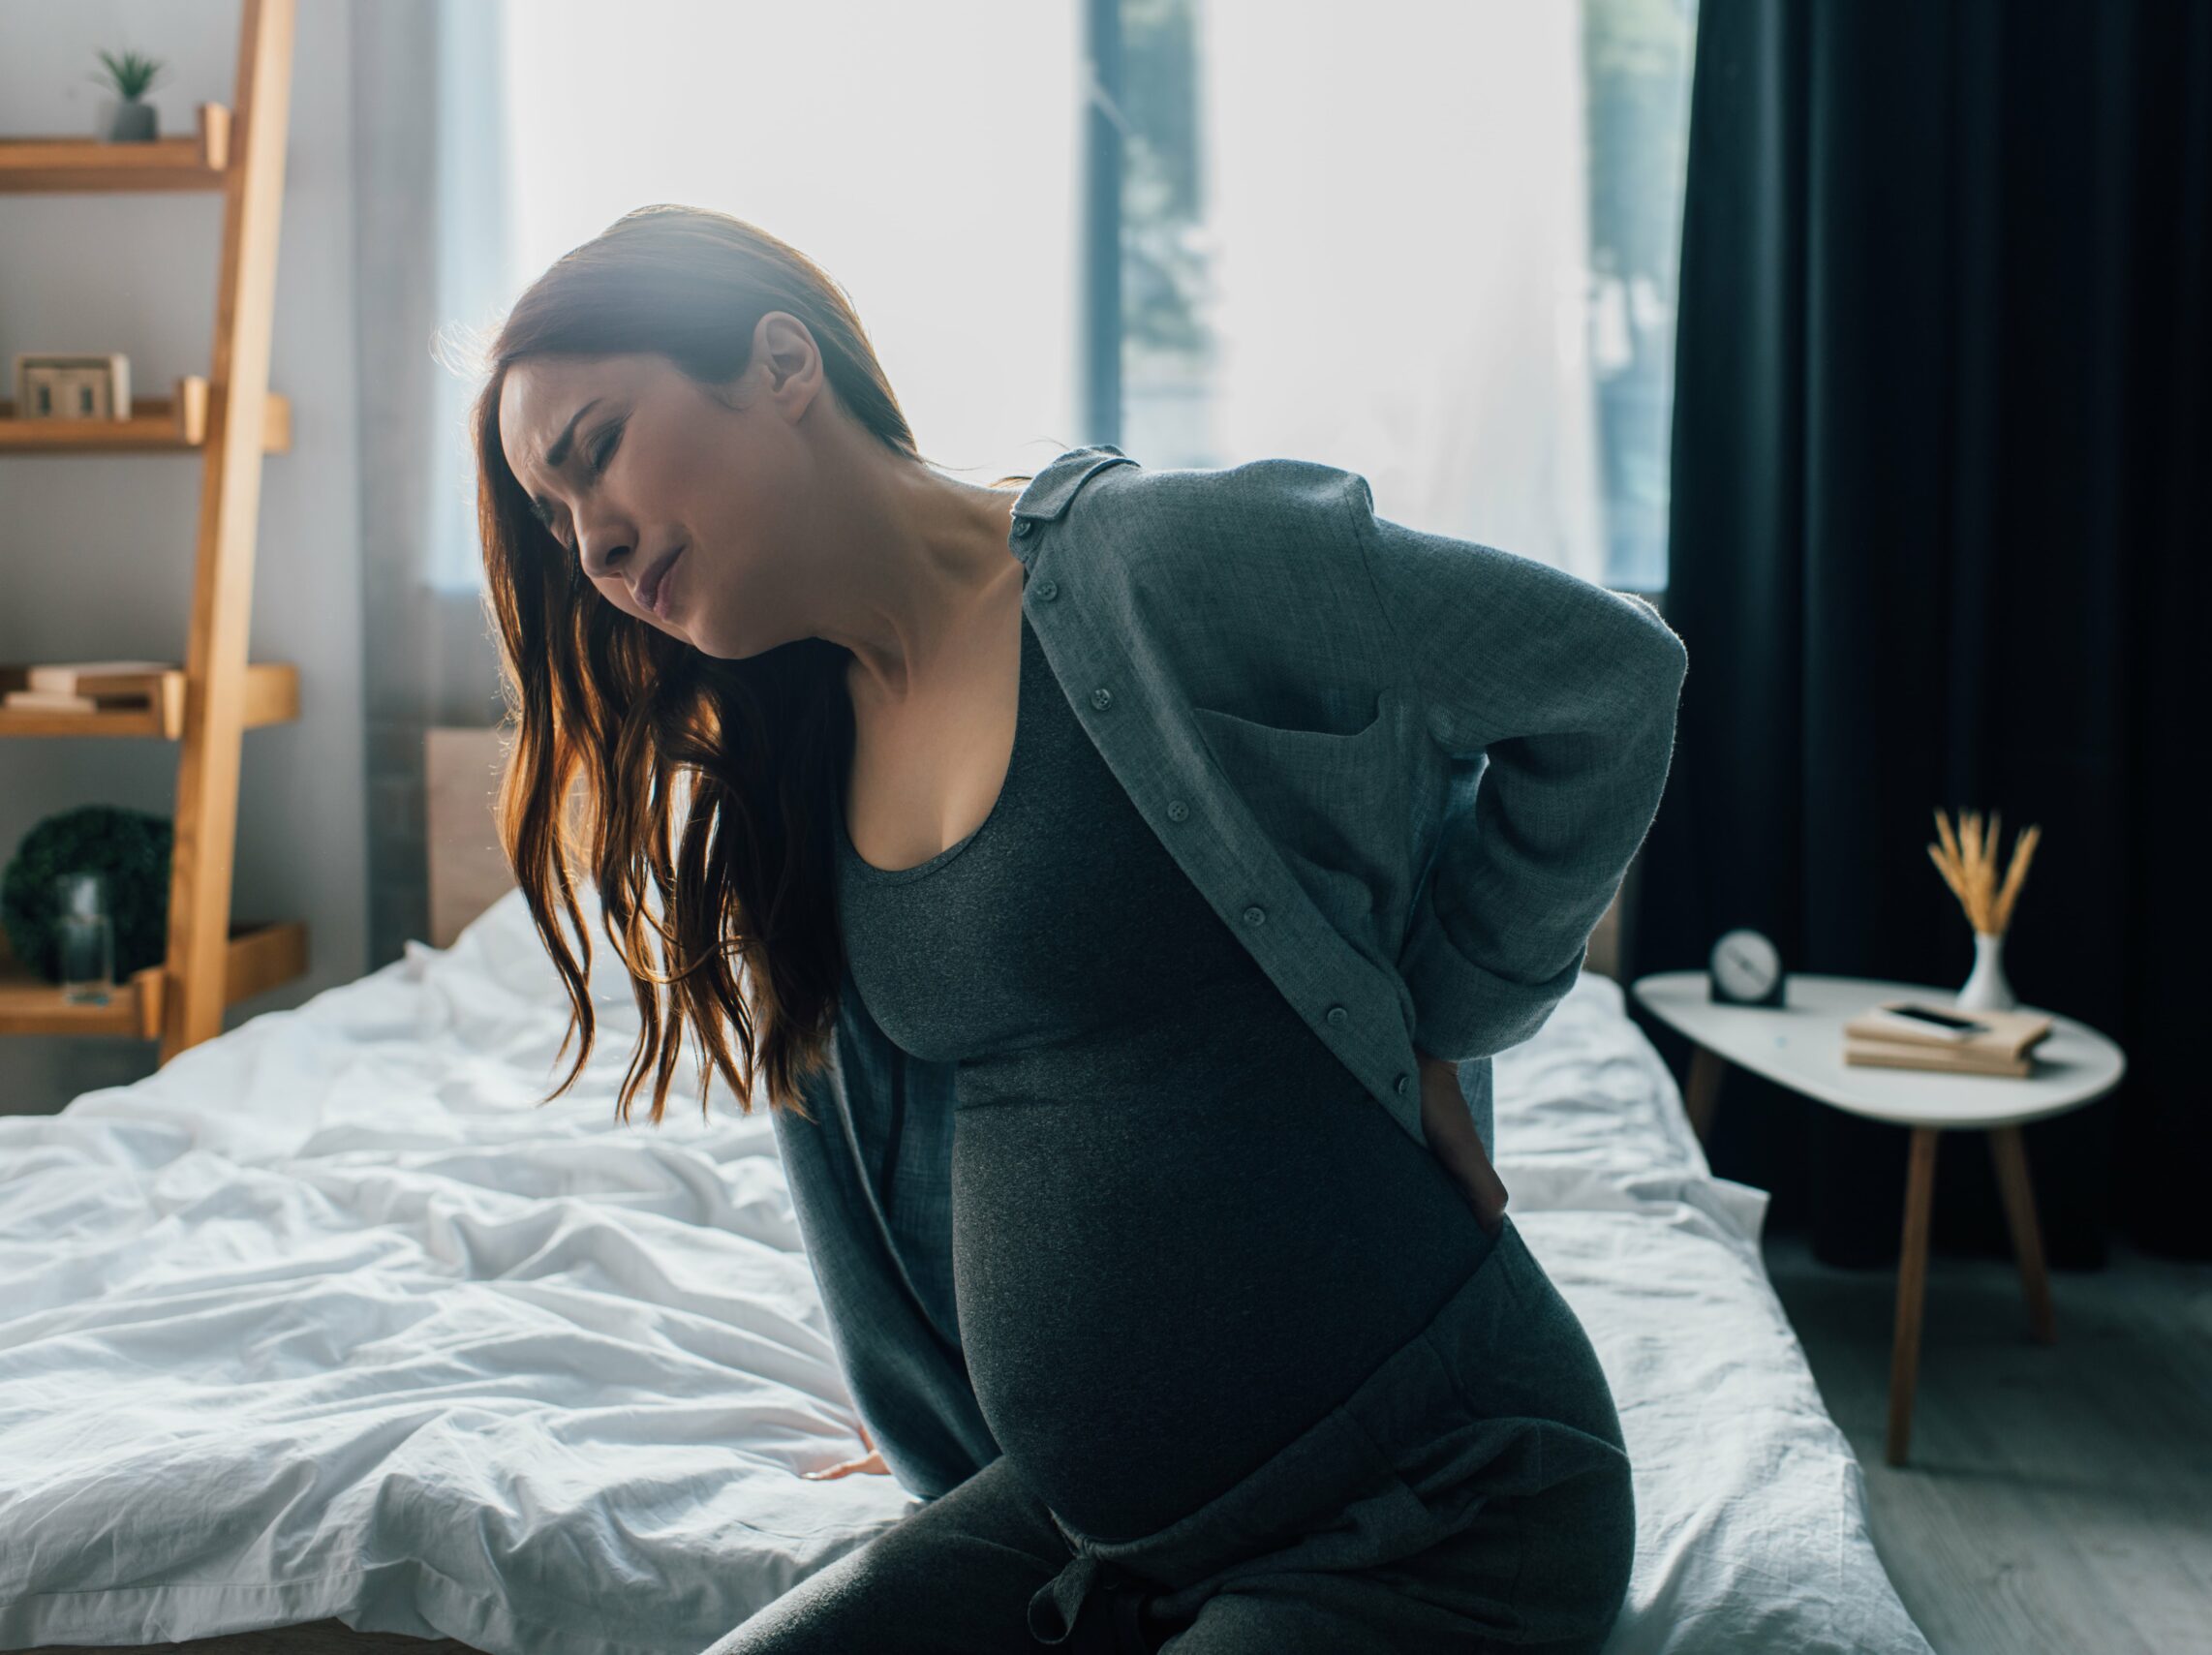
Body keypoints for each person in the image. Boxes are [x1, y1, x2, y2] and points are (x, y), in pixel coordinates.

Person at [474, 203, 1683, 1653]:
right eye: (553, 522)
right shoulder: (792, 776)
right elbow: (885, 1223)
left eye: (595, 447)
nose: (592, 543)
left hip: (1426, 1502)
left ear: (780, 362)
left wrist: (1452, 1009)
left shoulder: (1161, 564)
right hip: (1081, 1531)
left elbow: (1607, 677)